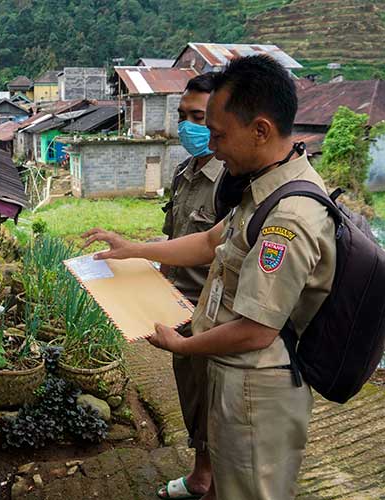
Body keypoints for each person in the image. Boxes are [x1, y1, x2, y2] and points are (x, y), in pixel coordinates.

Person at [83, 54, 335, 500]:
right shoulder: (260, 188)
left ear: (261, 129)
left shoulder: (288, 216)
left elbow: (257, 330)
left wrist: (183, 345)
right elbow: (206, 243)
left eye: (219, 134)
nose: (212, 146)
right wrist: (133, 250)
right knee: (225, 481)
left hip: (259, 386)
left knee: (250, 489)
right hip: (233, 374)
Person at [157, 74, 224, 500]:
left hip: (213, 314)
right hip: (178, 306)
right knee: (191, 398)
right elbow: (173, 240)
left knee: (215, 408)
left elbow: (213, 247)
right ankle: (201, 477)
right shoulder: (183, 173)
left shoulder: (231, 182)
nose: (187, 126)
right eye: (182, 116)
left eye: (197, 116)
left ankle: (217, 485)